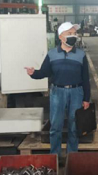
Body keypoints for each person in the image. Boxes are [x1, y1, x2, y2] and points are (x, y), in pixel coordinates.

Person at [25, 22, 91, 157]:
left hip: (76, 92)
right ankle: (54, 155)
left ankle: (72, 155)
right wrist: (33, 73)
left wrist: (86, 98)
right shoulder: (52, 54)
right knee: (55, 125)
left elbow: (85, 78)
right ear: (61, 37)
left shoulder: (81, 55)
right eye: (69, 33)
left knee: (74, 125)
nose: (73, 36)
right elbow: (44, 72)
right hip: (57, 92)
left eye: (74, 33)